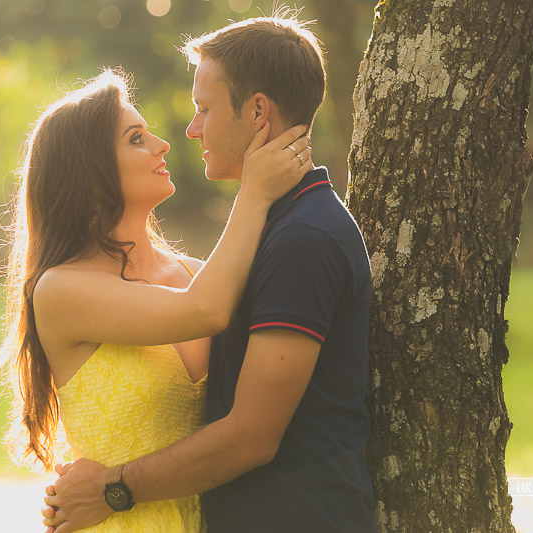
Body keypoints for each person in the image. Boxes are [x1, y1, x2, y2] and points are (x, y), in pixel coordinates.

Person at [41, 13, 378, 533]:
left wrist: (113, 486)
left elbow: (249, 432)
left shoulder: (299, 238)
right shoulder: (247, 248)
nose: (183, 133)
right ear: (90, 173)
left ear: (258, 111)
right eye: (135, 138)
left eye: (203, 109)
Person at [0, 67, 313, 532]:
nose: (163, 145)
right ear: (89, 172)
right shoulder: (60, 290)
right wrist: (253, 193)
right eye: (137, 138)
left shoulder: (196, 274)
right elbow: (206, 312)